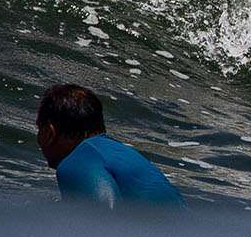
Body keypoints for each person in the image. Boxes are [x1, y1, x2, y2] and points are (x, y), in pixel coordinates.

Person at [36, 83, 185, 209]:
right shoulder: (123, 155)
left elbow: (104, 223)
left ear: (49, 132)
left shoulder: (78, 160)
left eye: (39, 129)